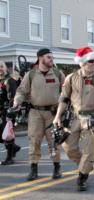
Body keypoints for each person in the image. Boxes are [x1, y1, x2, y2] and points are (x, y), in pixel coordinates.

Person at [53, 47, 94, 191]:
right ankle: (87, 164)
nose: (93, 64)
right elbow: (64, 99)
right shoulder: (71, 78)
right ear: (82, 63)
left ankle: (82, 176)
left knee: (88, 149)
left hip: (92, 118)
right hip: (74, 117)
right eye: (90, 61)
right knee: (68, 147)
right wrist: (57, 117)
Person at [13, 48, 65, 181]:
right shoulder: (31, 75)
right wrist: (17, 102)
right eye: (48, 57)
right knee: (34, 141)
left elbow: (67, 92)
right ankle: (33, 169)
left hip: (53, 114)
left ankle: (56, 168)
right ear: (40, 58)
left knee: (53, 141)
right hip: (35, 113)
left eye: (52, 57)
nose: (51, 59)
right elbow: (21, 91)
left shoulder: (58, 74)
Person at [0, 61, 21, 165]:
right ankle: (14, 148)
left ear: (5, 68)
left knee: (7, 135)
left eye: (1, 67)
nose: (0, 69)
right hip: (1, 112)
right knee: (3, 134)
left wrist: (10, 113)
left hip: (8, 112)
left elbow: (13, 99)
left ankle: (9, 158)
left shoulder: (9, 81)